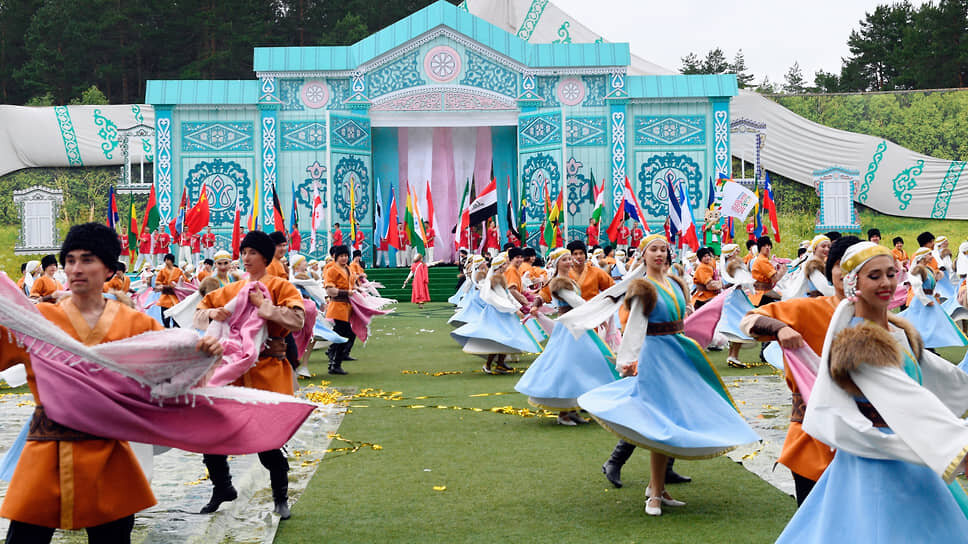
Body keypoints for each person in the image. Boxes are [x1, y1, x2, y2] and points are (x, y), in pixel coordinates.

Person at [1, 222, 223, 544]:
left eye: (87, 259)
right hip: (47, 452)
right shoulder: (38, 321)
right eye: (71, 260)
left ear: (108, 268)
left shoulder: (135, 323)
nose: (76, 269)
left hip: (107, 454)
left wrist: (203, 352)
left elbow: (172, 367)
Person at [775, 242, 968, 542]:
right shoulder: (858, 344)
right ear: (854, 282)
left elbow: (943, 376)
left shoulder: (897, 331)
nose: (887, 283)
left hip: (906, 450)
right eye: (874, 276)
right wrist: (958, 443)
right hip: (879, 458)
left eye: (891, 273)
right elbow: (906, 398)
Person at [573, 234, 758, 516]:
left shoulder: (674, 283)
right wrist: (628, 360)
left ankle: (655, 487)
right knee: (662, 422)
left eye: (663, 249)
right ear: (643, 255)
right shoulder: (643, 288)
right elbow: (636, 325)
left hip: (677, 354)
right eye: (654, 250)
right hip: (655, 357)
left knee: (674, 417)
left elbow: (684, 317)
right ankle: (654, 494)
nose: (659, 254)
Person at [740, 235, 860, 505]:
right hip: (813, 437)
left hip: (870, 440)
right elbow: (749, 320)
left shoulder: (887, 324)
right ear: (830, 270)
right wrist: (779, 328)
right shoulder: (811, 309)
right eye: (842, 264)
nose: (850, 272)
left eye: (859, 264)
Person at [194, 230, 305, 520]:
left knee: (268, 440)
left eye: (252, 252)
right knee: (212, 433)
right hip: (231, 373)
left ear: (265, 257)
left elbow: (297, 319)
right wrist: (212, 314)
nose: (245, 257)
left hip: (267, 371)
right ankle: (222, 487)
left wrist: (263, 307)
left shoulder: (280, 285)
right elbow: (198, 311)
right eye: (243, 252)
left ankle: (280, 498)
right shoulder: (231, 290)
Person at [515, 247, 616, 425]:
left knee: (580, 366)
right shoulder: (560, 282)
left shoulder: (566, 280)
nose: (569, 261)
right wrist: (596, 314)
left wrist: (537, 303)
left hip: (577, 325)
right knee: (569, 367)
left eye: (570, 259)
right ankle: (564, 413)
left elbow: (546, 294)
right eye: (565, 259)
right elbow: (577, 302)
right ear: (556, 263)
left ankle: (573, 409)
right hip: (569, 328)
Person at [324, 245, 357, 375]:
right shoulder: (331, 270)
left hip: (347, 308)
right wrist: (347, 293)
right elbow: (330, 290)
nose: (344, 258)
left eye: (346, 256)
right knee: (345, 334)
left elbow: (353, 285)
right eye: (341, 256)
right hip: (337, 307)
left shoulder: (348, 269)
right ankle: (335, 362)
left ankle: (334, 359)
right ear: (336, 257)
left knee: (342, 335)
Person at [750, 236, 784, 306]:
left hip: (761, 293)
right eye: (764, 246)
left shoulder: (761, 259)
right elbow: (775, 278)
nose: (767, 247)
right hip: (762, 295)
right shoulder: (762, 260)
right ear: (760, 248)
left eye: (769, 245)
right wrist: (784, 269)